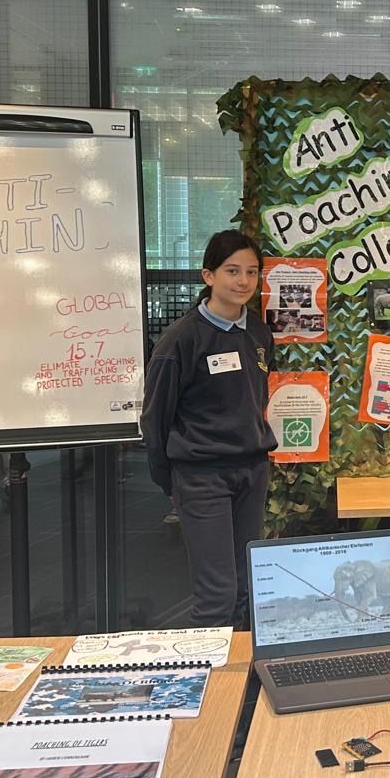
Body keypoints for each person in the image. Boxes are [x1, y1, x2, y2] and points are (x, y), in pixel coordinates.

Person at [143, 230, 277, 627]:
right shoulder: (181, 339)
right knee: (216, 594)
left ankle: (242, 682)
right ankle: (211, 684)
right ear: (208, 276)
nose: (243, 282)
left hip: (251, 471)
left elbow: (255, 398)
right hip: (201, 476)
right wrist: (172, 482)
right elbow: (155, 417)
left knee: (245, 588)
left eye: (252, 272)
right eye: (232, 270)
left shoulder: (257, 332)